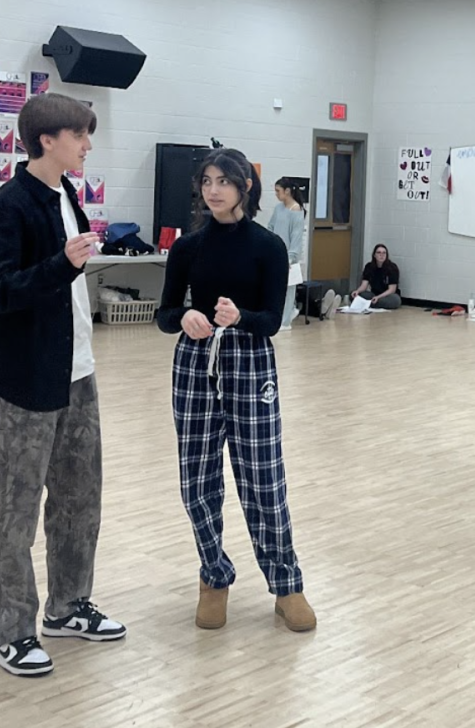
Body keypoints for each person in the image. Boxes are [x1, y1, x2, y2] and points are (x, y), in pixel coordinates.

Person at [0, 92, 126, 677]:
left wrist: (68, 264)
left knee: (80, 498)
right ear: (48, 139)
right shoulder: (8, 208)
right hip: (22, 380)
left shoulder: (66, 194)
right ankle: (9, 631)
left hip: (76, 370)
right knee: (15, 506)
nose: (87, 146)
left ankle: (68, 605)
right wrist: (61, 264)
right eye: (80, 135)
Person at [156, 148, 315, 633]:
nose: (213, 190)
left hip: (250, 363)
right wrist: (184, 316)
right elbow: (164, 315)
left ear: (246, 186)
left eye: (223, 181)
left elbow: (273, 319)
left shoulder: (267, 246)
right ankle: (214, 575)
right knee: (197, 480)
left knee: (264, 479)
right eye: (206, 181)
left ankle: (286, 584)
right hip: (195, 363)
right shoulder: (188, 248)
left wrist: (240, 317)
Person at [267, 177, 308, 331]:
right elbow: (270, 226)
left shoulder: (296, 211)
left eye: (278, 191)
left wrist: (290, 258)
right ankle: (282, 315)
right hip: (275, 253)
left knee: (288, 288)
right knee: (275, 288)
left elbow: (296, 238)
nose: (276, 194)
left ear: (287, 191)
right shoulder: (278, 208)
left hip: (289, 256)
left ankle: (285, 321)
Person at [351, 244, 402, 309]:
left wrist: (379, 297)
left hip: (387, 295)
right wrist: (357, 291)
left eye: (384, 253)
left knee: (395, 300)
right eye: (379, 253)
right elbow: (364, 285)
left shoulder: (392, 268)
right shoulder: (369, 267)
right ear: (374, 255)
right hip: (374, 294)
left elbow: (392, 290)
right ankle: (370, 303)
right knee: (353, 294)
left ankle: (368, 303)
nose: (382, 255)